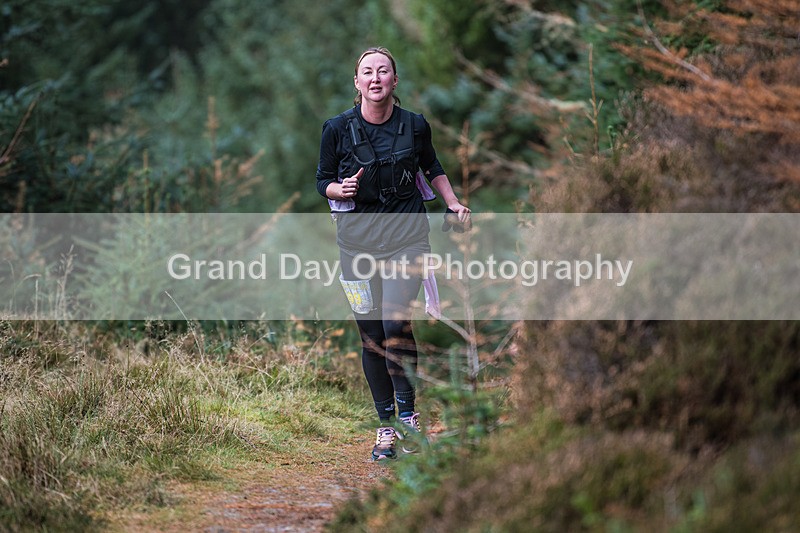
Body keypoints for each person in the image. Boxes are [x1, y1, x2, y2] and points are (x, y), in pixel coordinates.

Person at [315, 47, 470, 461]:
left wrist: (452, 202)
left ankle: (408, 420)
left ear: (394, 81)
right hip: (357, 246)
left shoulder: (415, 126)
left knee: (395, 323)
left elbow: (432, 167)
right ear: (357, 82)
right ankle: (385, 427)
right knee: (372, 338)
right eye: (367, 71)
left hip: (407, 239)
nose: (376, 77)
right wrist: (338, 190)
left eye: (383, 71)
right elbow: (322, 181)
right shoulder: (336, 129)